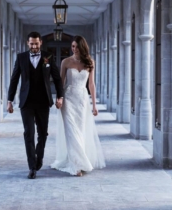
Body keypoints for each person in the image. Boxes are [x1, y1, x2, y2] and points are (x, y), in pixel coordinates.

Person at [7, 32, 64, 179]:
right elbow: (14, 79)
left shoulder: (48, 57)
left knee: (43, 133)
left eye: (36, 44)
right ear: (28, 43)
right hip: (26, 102)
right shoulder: (21, 58)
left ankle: (40, 157)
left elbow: (57, 79)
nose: (34, 46)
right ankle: (32, 167)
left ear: (40, 43)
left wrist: (60, 97)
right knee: (28, 133)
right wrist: (9, 100)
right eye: (31, 44)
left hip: (43, 101)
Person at [51, 35, 105, 176]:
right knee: (71, 132)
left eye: (76, 46)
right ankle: (77, 166)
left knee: (80, 131)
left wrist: (94, 105)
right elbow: (60, 83)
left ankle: (78, 160)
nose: (73, 49)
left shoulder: (90, 62)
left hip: (82, 100)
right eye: (72, 46)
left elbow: (91, 84)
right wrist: (59, 99)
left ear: (82, 47)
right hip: (68, 99)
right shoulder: (66, 62)